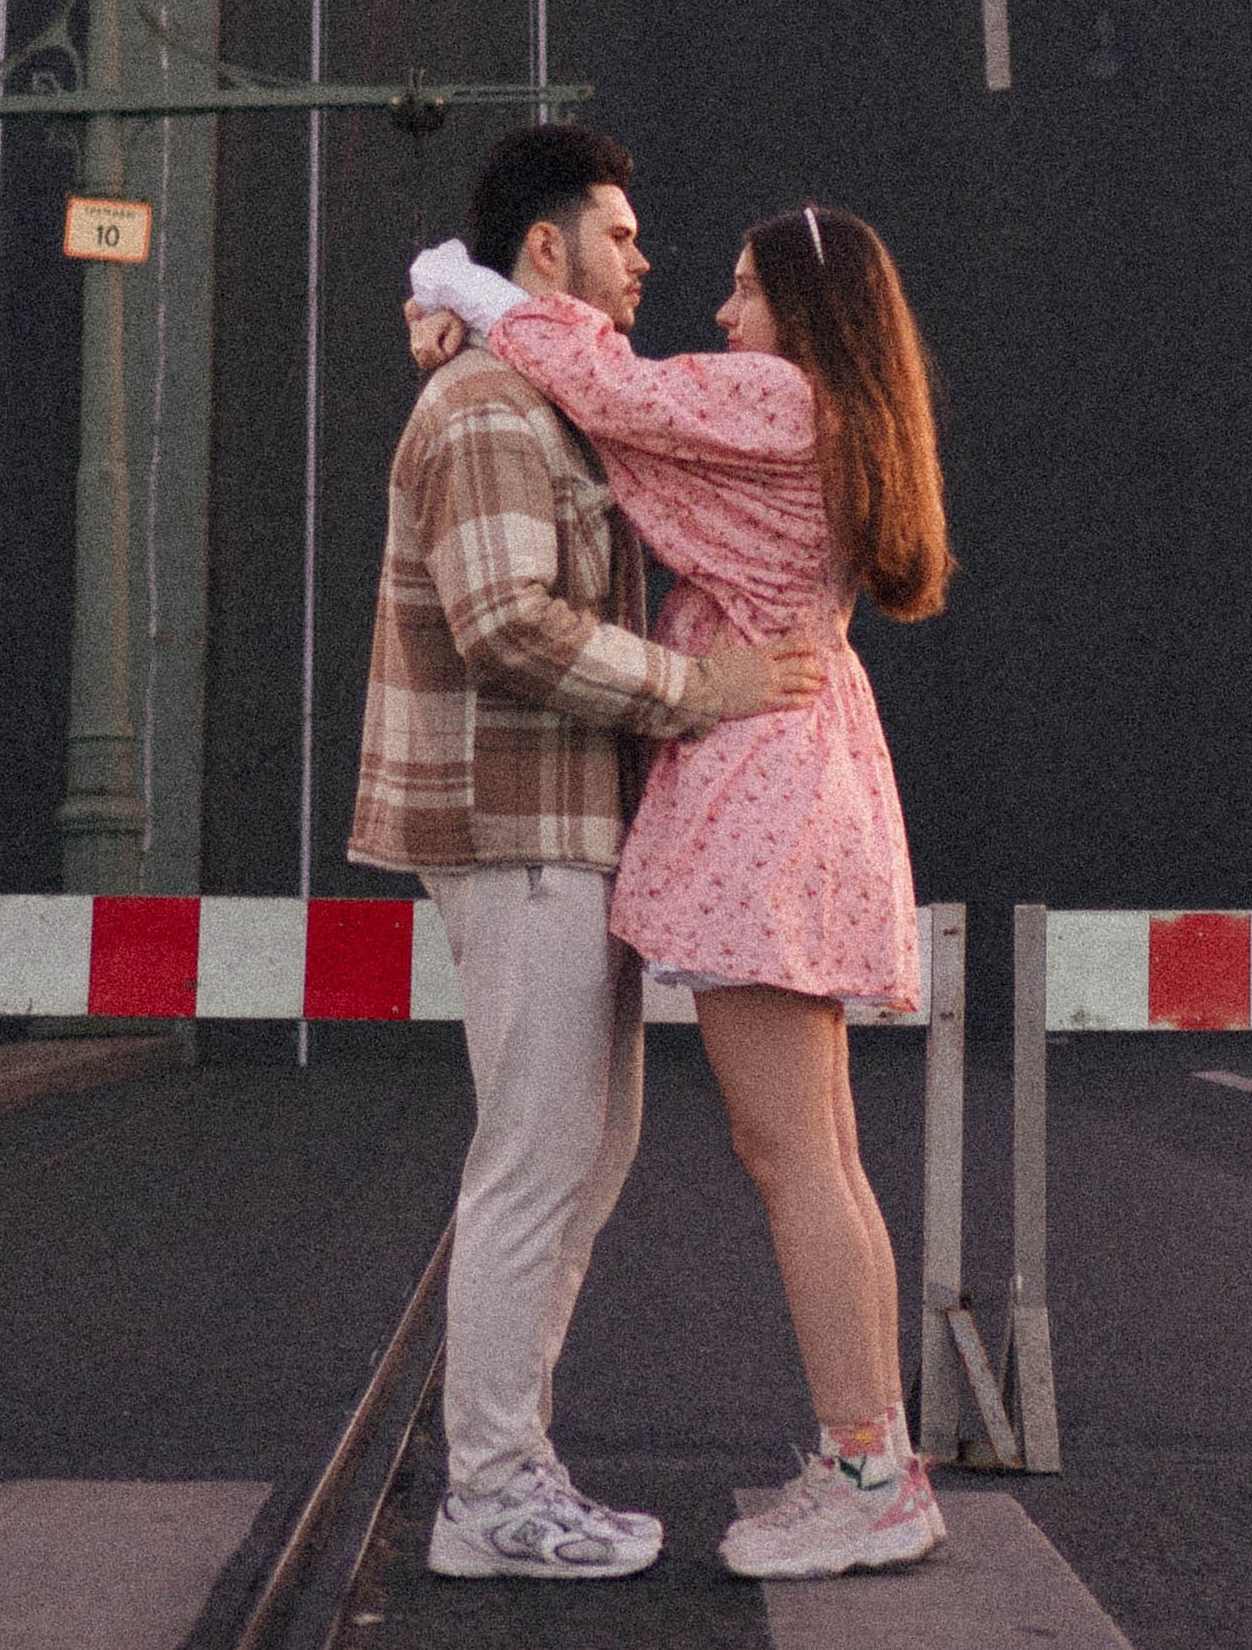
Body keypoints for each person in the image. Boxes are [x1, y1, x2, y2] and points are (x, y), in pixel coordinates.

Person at [406, 188, 956, 1584]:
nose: (718, 309)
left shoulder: (778, 395)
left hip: (760, 785)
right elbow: (625, 418)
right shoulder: (837, 412)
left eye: (742, 286)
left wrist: (461, 287)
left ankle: (867, 1473)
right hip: (811, 767)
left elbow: (612, 387)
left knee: (794, 1163)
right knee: (822, 1155)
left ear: (800, 310)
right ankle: (874, 1456)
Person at [349, 122, 827, 1585]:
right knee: (537, 1156)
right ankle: (487, 1488)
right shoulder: (491, 407)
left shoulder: (531, 391)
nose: (646, 258)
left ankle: (512, 1460)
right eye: (621, 232)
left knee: (581, 1153)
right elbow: (507, 625)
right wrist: (706, 692)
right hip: (514, 825)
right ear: (545, 249)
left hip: (563, 827)